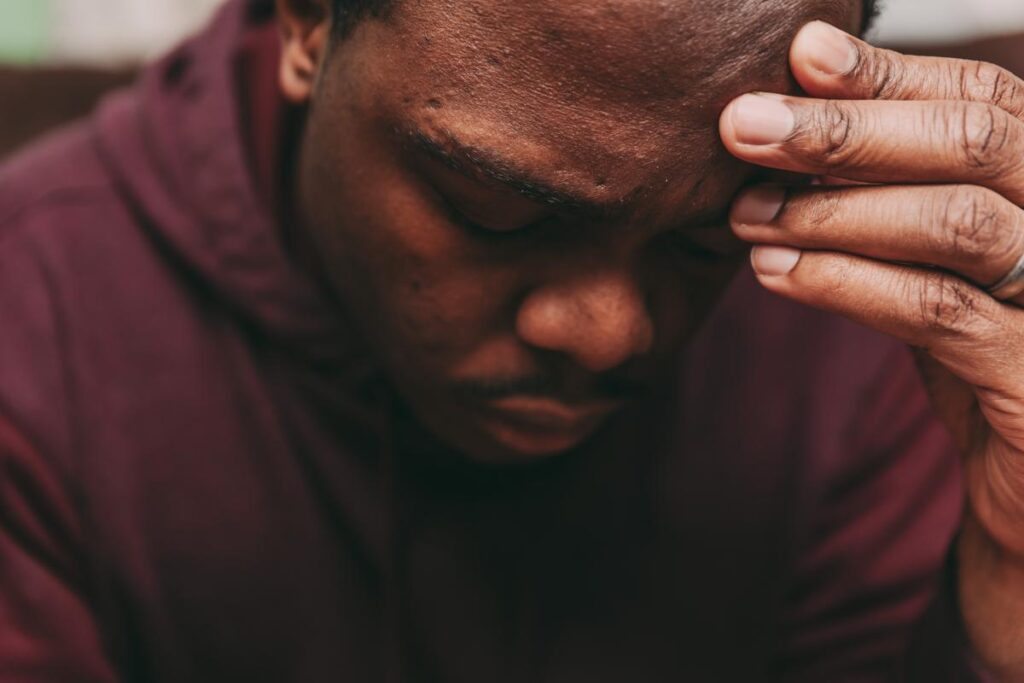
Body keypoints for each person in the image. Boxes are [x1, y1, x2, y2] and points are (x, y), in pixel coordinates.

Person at [1, 0, 1023, 679]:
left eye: (709, 239)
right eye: (493, 211)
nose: (609, 331)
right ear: (309, 22)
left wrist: (999, 620)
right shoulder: (34, 339)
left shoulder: (885, 312)